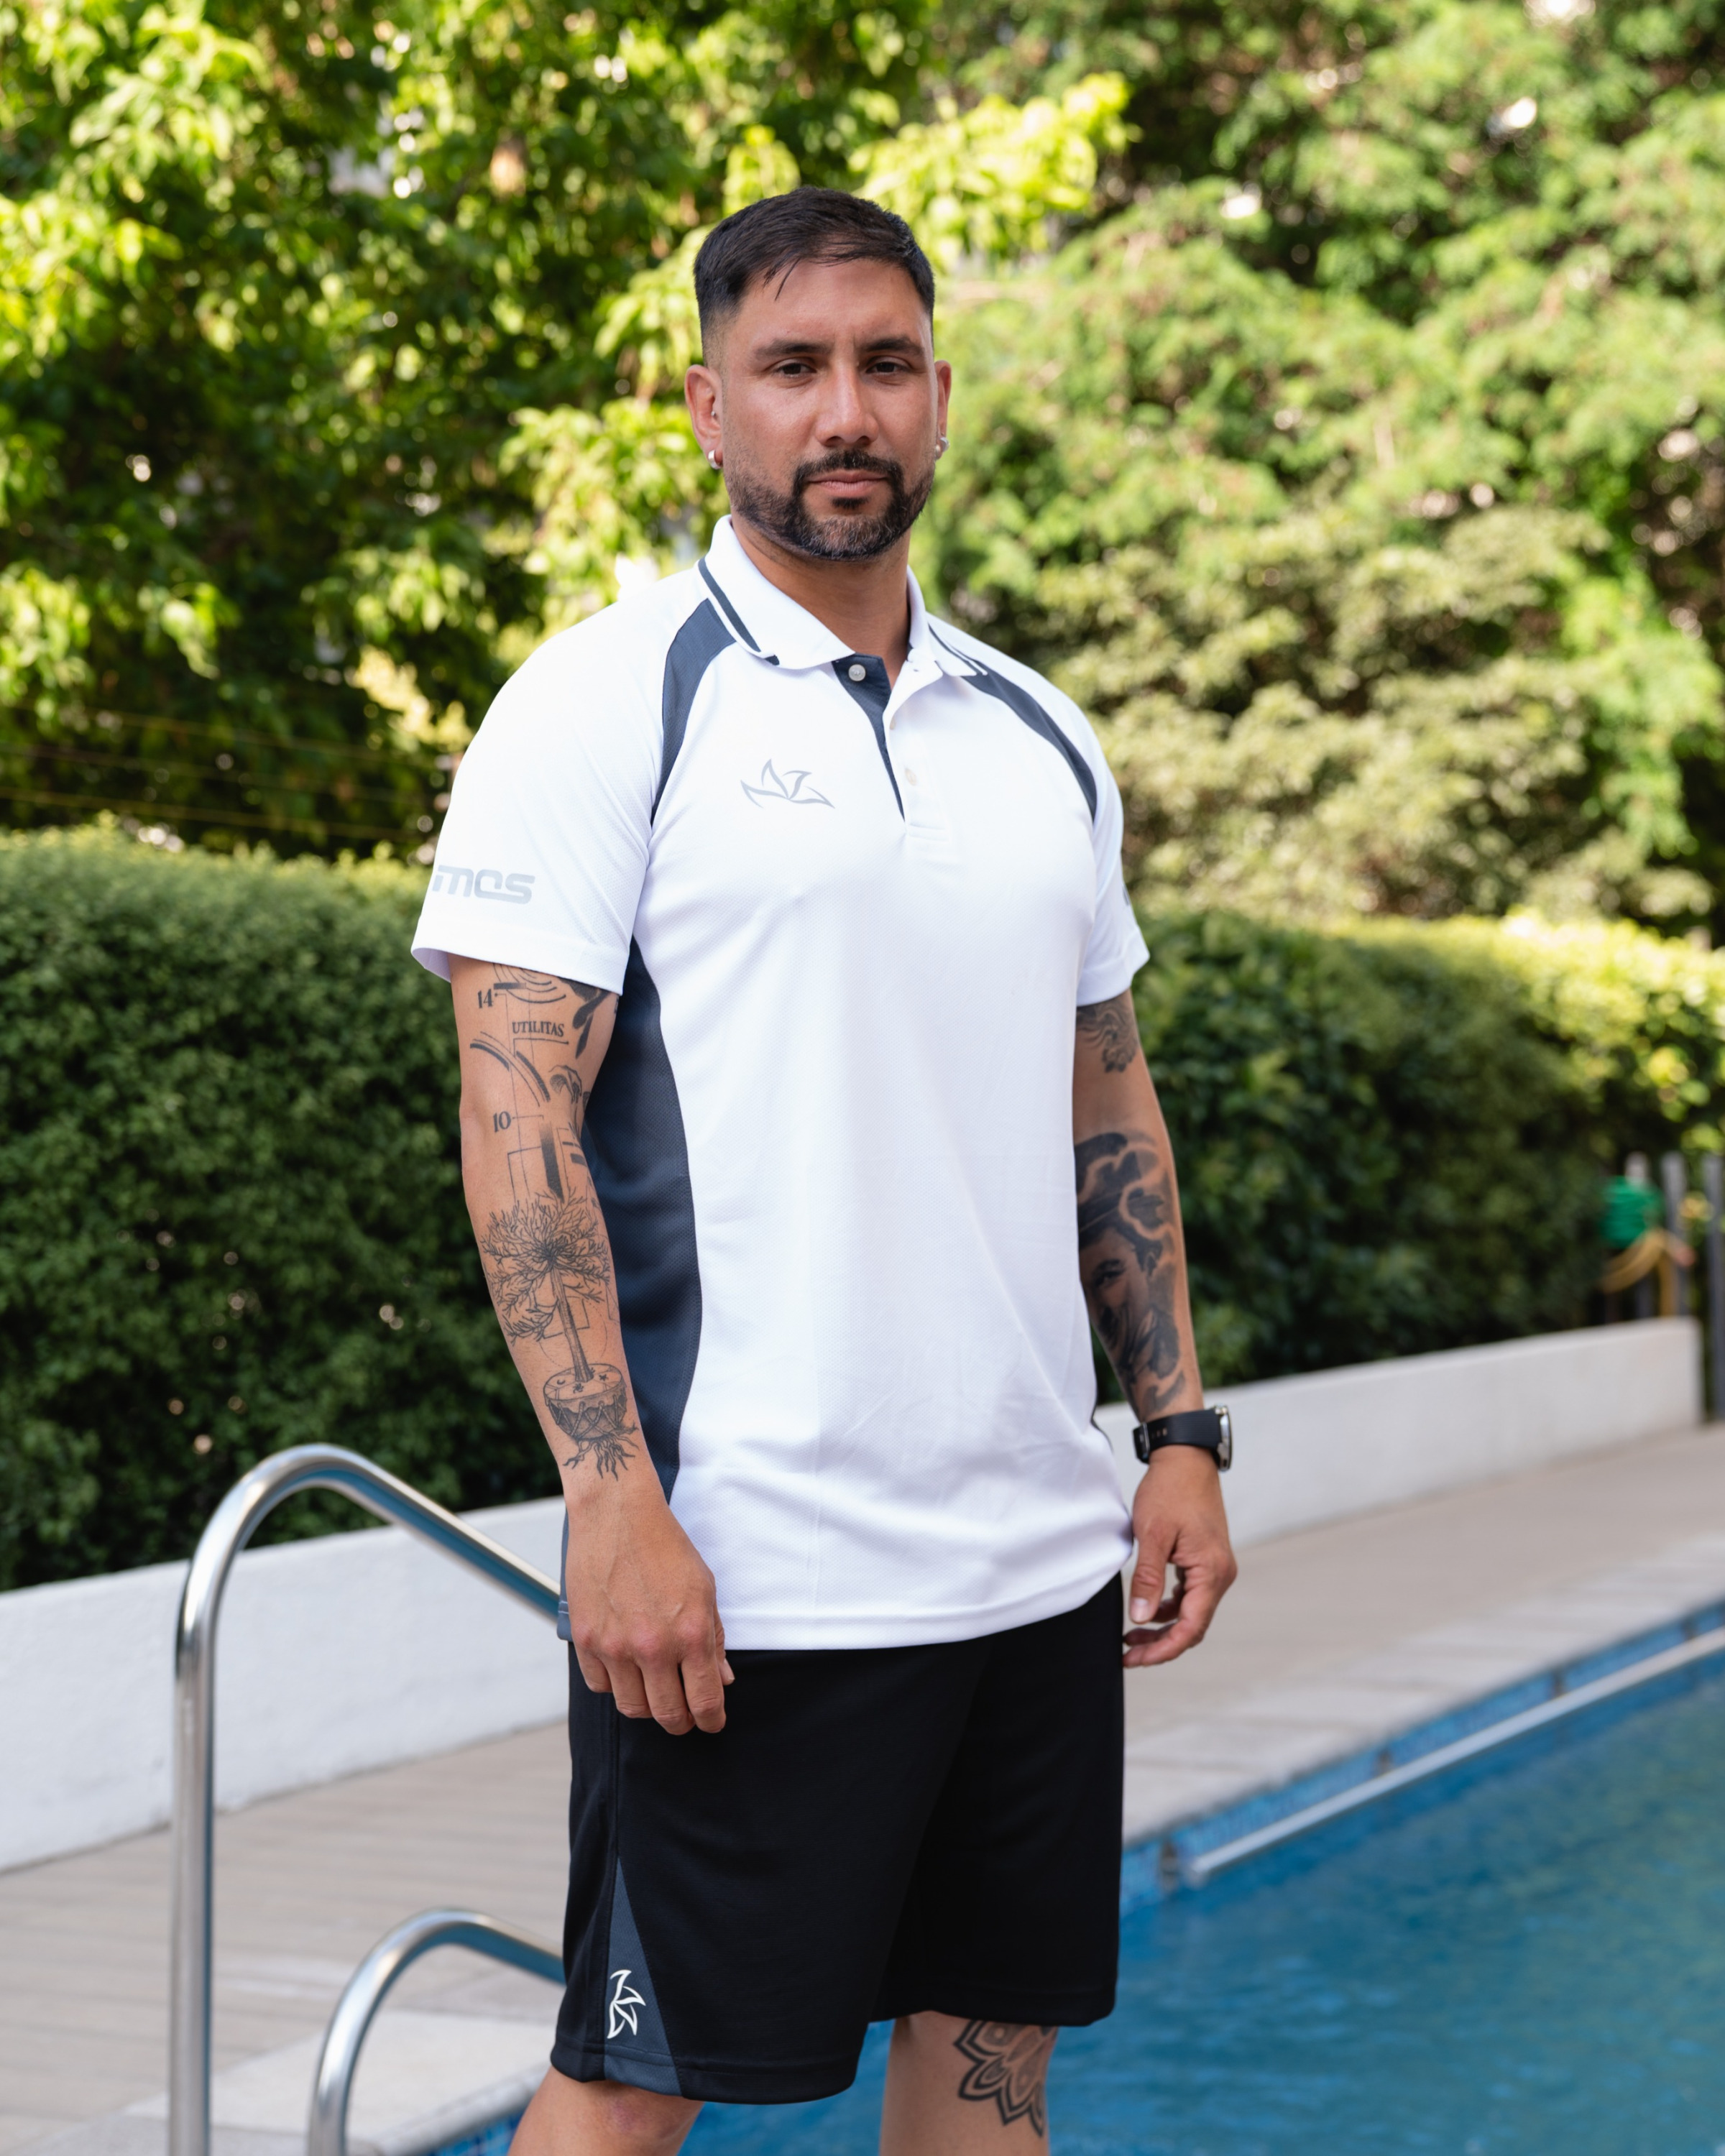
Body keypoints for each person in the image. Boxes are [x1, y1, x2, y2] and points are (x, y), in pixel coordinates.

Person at [411, 185, 1236, 2156]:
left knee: (991, 2077)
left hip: (1036, 1568)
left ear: (939, 394)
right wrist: (611, 1504)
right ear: (711, 405)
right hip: (754, 1580)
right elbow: (517, 1119)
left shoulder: (1041, 736)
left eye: (885, 363)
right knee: (630, 2097)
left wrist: (1180, 1432)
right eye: (792, 367)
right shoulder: (601, 701)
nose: (844, 410)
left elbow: (1107, 1104)